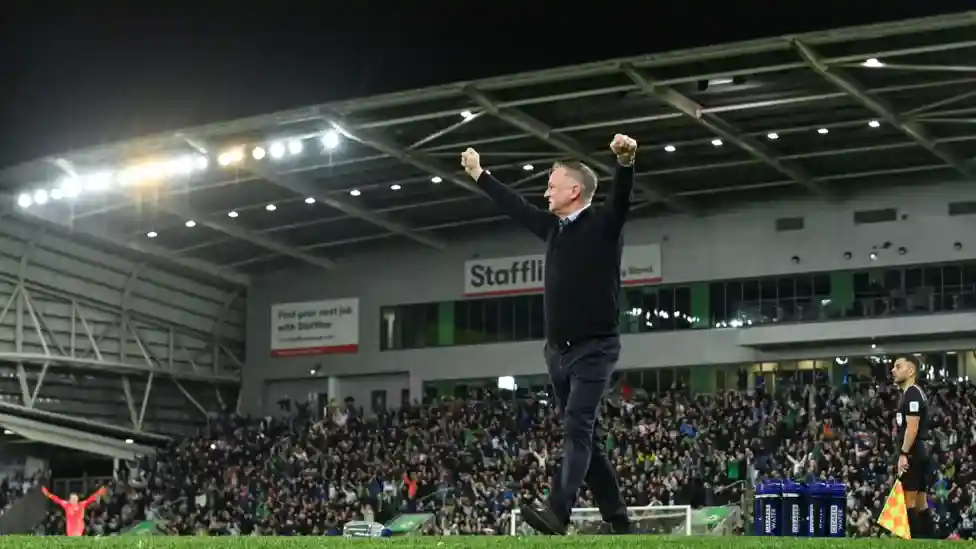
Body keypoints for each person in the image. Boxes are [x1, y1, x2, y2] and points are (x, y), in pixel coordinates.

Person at [460, 134, 637, 535]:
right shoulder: (554, 229)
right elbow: (516, 207)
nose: (545, 193)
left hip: (595, 349)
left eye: (552, 186)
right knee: (585, 438)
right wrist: (479, 175)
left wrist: (625, 164)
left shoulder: (604, 225)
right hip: (557, 354)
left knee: (577, 427)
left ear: (575, 191)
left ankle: (558, 512)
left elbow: (622, 200)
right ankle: (619, 520)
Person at [890, 355, 935, 539]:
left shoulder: (912, 393)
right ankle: (931, 540)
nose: (893, 370)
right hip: (922, 451)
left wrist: (903, 454)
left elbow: (912, 426)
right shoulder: (913, 393)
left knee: (908, 501)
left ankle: (914, 541)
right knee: (921, 502)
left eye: (898, 366)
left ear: (911, 371)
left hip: (914, 452)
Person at [41, 485, 106, 536]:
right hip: (70, 528)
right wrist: (47, 493)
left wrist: (99, 492)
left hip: (79, 527)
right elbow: (56, 499)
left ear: (77, 499)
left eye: (75, 498)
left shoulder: (82, 504)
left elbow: (91, 499)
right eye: (72, 498)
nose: (73, 499)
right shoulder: (66, 504)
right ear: (69, 499)